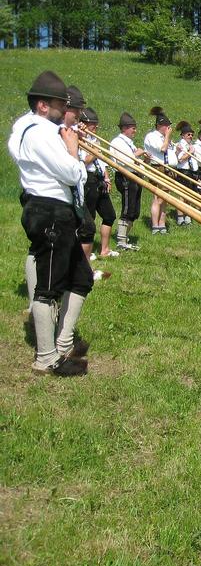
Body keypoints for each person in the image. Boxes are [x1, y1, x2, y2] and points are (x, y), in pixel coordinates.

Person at [8, 71, 92, 375]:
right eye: (60, 103)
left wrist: (72, 152)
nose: (64, 109)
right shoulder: (39, 132)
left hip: (60, 211)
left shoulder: (41, 129)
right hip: (49, 212)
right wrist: (73, 150)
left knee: (82, 279)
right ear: (44, 105)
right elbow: (72, 173)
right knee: (48, 287)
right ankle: (46, 358)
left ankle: (63, 343)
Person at [77, 107, 119, 265]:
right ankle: (84, 253)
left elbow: (102, 162)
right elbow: (83, 162)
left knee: (109, 215)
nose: (96, 127)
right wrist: (94, 152)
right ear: (84, 124)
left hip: (99, 179)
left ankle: (104, 249)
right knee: (90, 218)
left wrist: (107, 178)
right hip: (87, 179)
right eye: (93, 124)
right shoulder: (79, 140)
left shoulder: (95, 140)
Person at [109, 113, 147, 248]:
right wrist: (137, 154)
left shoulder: (129, 143)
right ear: (124, 128)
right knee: (127, 208)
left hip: (135, 177)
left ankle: (125, 237)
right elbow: (124, 161)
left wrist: (144, 160)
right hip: (125, 177)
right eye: (132, 128)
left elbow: (136, 161)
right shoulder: (117, 142)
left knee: (135, 210)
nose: (135, 131)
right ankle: (121, 241)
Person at [143, 107, 174, 234]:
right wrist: (167, 136)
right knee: (157, 198)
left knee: (165, 198)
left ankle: (162, 225)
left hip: (168, 168)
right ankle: (155, 225)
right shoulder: (152, 136)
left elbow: (169, 151)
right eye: (167, 126)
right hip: (158, 168)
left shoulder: (164, 137)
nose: (168, 128)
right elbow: (162, 149)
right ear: (160, 125)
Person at [172, 121, 198, 224]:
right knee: (182, 195)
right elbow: (180, 159)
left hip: (191, 171)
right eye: (188, 134)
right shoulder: (179, 145)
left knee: (190, 195)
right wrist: (190, 153)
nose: (190, 136)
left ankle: (188, 216)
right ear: (183, 135)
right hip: (183, 171)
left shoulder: (191, 146)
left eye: (192, 134)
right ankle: (180, 217)